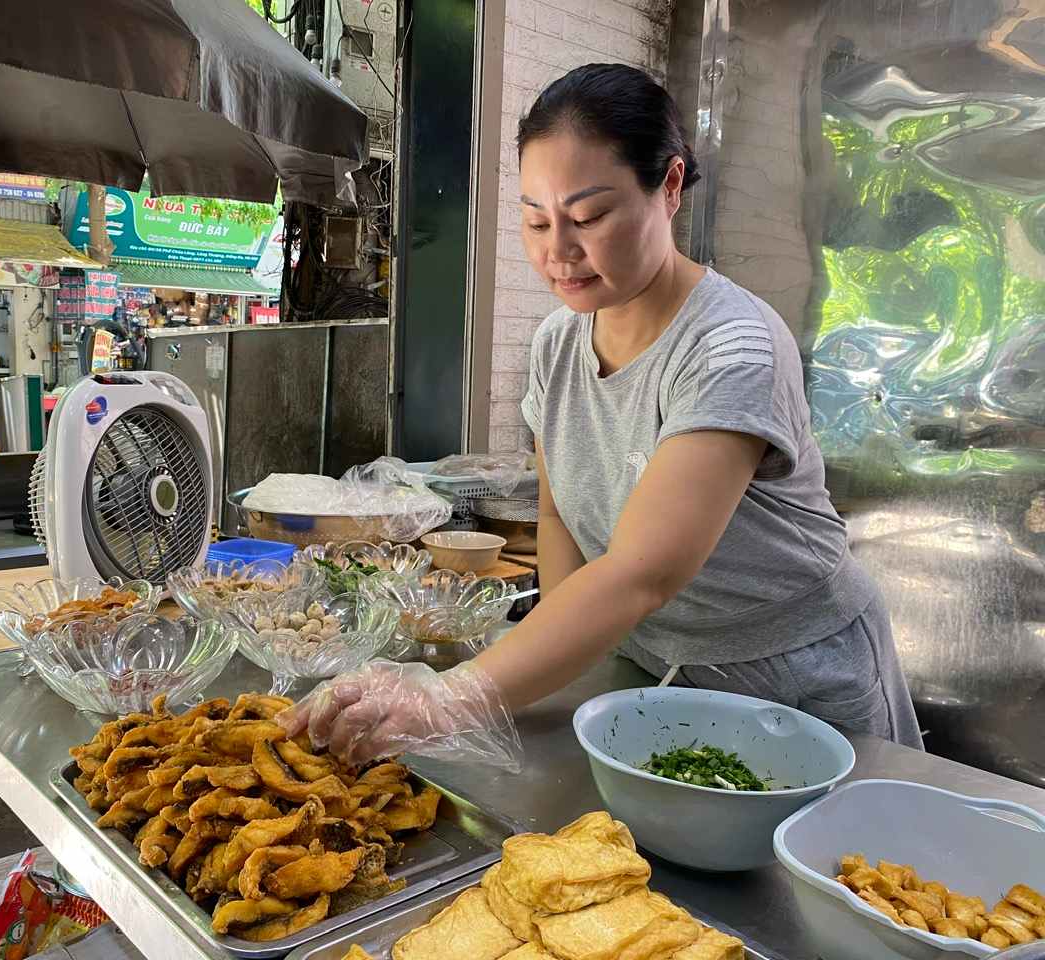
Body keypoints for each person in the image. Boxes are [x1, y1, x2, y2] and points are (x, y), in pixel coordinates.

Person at [280, 63, 923, 768]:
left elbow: (640, 573)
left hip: (794, 682)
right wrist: (571, 654)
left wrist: (453, 694)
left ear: (669, 186)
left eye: (589, 217)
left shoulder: (731, 348)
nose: (558, 250)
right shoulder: (559, 344)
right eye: (535, 219)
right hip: (651, 665)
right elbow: (561, 521)